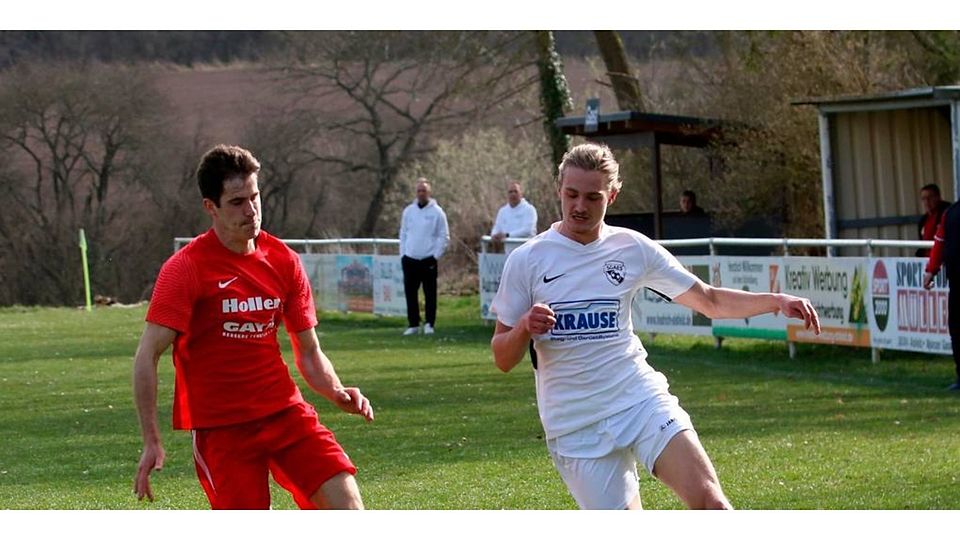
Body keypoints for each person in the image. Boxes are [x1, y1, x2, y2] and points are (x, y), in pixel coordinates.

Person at [490, 142, 821, 510]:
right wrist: (523, 327)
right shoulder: (528, 260)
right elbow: (502, 357)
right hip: (576, 424)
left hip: (638, 400)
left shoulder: (633, 248)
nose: (580, 206)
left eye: (592, 197)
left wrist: (775, 301)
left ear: (612, 196)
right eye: (571, 195)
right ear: (558, 190)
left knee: (713, 505)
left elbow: (708, 300)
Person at [132, 145, 374, 510]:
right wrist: (151, 439)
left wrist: (336, 390)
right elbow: (147, 355)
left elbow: (308, 351)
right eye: (236, 201)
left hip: (285, 413)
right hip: (223, 430)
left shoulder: (283, 260)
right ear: (210, 207)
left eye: (255, 196)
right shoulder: (186, 269)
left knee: (348, 505)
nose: (251, 210)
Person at [399, 178, 450, 336]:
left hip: (428, 259)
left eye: (424, 191)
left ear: (429, 192)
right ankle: (413, 323)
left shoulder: (437, 212)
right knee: (410, 293)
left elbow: (444, 236)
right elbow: (403, 233)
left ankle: (429, 323)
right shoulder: (409, 211)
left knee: (430, 293)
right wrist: (403, 254)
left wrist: (435, 256)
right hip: (410, 258)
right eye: (419, 191)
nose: (421, 194)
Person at [921, 203, 960, 391]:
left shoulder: (950, 213)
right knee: (957, 331)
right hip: (956, 284)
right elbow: (940, 242)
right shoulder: (951, 213)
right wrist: (931, 270)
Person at [490, 181, 538, 251]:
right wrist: (494, 235)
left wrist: (507, 235)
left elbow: (528, 230)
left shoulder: (529, 209)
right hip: (509, 253)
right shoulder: (503, 211)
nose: (513, 194)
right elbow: (497, 227)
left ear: (521, 193)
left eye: (516, 191)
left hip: (527, 251)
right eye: (510, 192)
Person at [917, 183, 951, 257]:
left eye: (930, 197)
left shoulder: (948, 214)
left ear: (938, 197)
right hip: (927, 260)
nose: (927, 201)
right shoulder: (923, 220)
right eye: (923, 199)